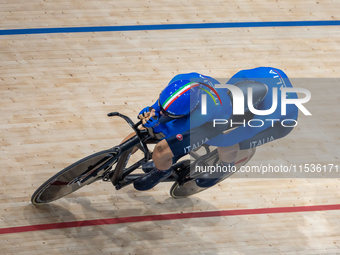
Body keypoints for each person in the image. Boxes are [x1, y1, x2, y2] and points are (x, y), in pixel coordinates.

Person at [122, 67, 298, 191]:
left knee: (229, 145)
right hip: (240, 99)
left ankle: (224, 167)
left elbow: (234, 136)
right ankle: (174, 154)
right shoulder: (243, 77)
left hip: (279, 125)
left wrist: (203, 137)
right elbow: (224, 101)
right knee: (216, 122)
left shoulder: (271, 112)